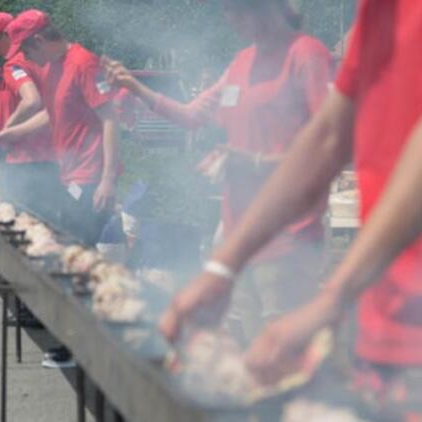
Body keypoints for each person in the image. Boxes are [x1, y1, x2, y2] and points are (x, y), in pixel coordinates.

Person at [160, 0, 422, 398]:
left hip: (326, 262)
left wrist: (333, 296)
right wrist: (224, 266)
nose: (238, 21)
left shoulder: (308, 53)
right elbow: (327, 137)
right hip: (386, 309)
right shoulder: (380, 10)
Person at [106, 0, 333, 346]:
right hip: (235, 230)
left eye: (241, 11)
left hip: (288, 233)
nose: (234, 21)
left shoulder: (306, 55)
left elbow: (329, 142)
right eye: (229, 13)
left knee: (282, 349)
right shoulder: (241, 63)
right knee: (241, 337)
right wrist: (136, 88)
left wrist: (254, 162)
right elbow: (192, 115)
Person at [0, 10, 120, 245]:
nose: (25, 58)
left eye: (25, 51)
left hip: (91, 176)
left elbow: (110, 119)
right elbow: (49, 115)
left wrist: (108, 178)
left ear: (39, 41)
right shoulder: (54, 68)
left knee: (82, 249)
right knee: (67, 241)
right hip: (69, 173)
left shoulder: (84, 63)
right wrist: (3, 135)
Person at [0, 11, 62, 225]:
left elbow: (32, 101)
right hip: (56, 155)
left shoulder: (14, 64)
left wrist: (4, 133)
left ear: (6, 34)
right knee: (52, 223)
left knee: (25, 224)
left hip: (25, 159)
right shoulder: (45, 58)